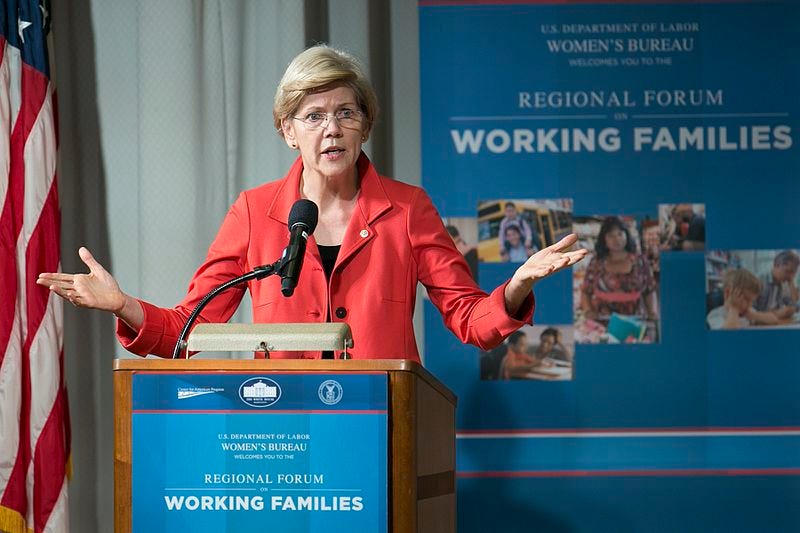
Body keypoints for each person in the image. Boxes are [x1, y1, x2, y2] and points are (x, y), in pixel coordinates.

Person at [38, 45, 587, 361]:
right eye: (314, 115)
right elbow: (190, 328)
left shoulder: (408, 209)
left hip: (384, 423)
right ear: (287, 130)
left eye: (347, 113)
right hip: (280, 432)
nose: (332, 129)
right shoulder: (254, 212)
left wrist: (517, 286)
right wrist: (122, 305)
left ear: (365, 125)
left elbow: (471, 321)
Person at [580, 216, 658, 321]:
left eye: (620, 234)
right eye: (610, 236)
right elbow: (586, 291)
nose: (616, 239)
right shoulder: (596, 262)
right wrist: (588, 311)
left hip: (634, 321)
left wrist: (652, 312)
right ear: (604, 239)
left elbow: (649, 290)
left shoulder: (640, 261)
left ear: (627, 235)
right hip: (603, 322)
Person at [707, 269, 779, 329]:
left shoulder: (746, 312)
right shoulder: (716, 315)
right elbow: (727, 337)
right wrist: (734, 308)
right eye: (747, 299)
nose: (750, 304)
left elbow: (774, 320)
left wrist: (754, 315)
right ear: (728, 293)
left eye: (752, 301)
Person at [753, 250, 799, 320]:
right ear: (777, 265)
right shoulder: (758, 280)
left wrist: (791, 283)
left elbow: (794, 304)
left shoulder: (784, 283)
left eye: (793, 273)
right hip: (761, 324)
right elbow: (750, 312)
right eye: (788, 271)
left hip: (776, 322)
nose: (790, 276)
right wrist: (776, 314)